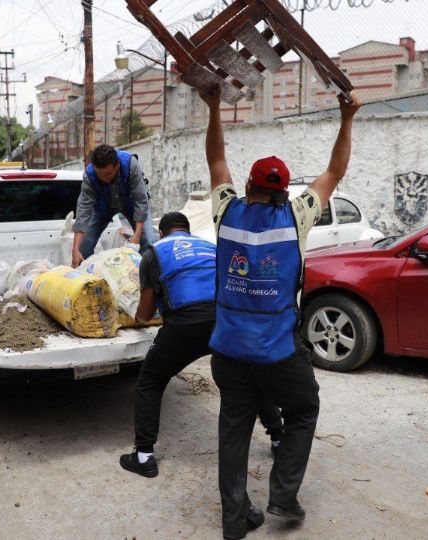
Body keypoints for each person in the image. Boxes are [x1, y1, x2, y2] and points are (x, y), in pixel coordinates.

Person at [200, 88, 362, 539]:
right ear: (283, 191)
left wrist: (214, 107)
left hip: (228, 351)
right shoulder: (297, 216)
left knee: (233, 431)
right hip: (277, 353)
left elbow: (216, 159)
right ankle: (282, 497)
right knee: (304, 409)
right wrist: (346, 118)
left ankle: (235, 520)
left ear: (249, 187)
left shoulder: (225, 211)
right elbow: (335, 171)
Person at [119, 212, 283, 479]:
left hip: (184, 325)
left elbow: (146, 313)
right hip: (225, 321)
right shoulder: (211, 247)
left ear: (162, 232)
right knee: (251, 377)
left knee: (150, 380)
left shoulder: (153, 253)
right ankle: (278, 438)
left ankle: (144, 456)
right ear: (188, 230)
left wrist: (137, 316)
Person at [71, 144, 156, 267]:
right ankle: (87, 278)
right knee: (82, 247)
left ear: (117, 166)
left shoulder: (130, 164)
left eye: (107, 174)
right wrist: (75, 249)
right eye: (99, 174)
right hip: (102, 208)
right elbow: (83, 210)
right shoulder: (89, 175)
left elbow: (141, 200)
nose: (103, 178)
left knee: (148, 242)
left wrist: (137, 235)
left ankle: (144, 278)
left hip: (132, 205)